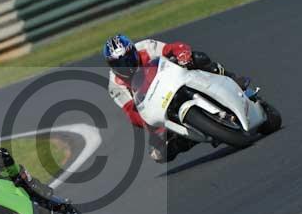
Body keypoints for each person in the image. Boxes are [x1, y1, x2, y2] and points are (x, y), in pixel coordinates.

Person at [103, 34, 248, 163]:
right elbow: (132, 113)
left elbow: (172, 48)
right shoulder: (115, 86)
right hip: (155, 105)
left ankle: (231, 78)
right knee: (157, 154)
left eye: (129, 59)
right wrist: (155, 128)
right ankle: (187, 139)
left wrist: (182, 54)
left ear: (134, 51)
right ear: (111, 66)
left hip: (173, 79)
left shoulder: (146, 47)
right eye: (119, 64)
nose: (127, 66)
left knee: (198, 57)